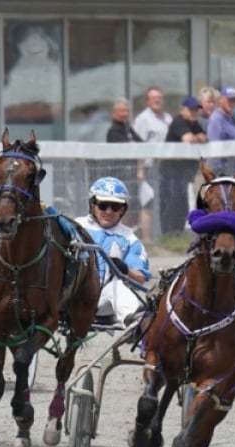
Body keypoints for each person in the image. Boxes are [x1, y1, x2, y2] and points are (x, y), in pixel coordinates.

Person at [78, 177, 151, 325]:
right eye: (103, 205)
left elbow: (140, 278)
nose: (109, 211)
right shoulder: (75, 226)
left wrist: (124, 268)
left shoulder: (130, 239)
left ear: (122, 210)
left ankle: (134, 323)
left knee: (117, 286)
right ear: (93, 205)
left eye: (115, 207)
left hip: (100, 301)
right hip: (69, 295)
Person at [158, 95, 208, 235]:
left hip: (182, 175)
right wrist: (197, 138)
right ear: (183, 110)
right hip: (170, 174)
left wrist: (197, 138)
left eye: (196, 110)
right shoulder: (178, 121)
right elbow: (188, 139)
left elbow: (204, 137)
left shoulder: (194, 123)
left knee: (182, 204)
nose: (194, 113)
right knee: (170, 205)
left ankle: (177, 234)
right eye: (191, 110)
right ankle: (168, 235)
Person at [132, 86, 171, 241]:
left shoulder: (167, 118)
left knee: (165, 201)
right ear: (148, 101)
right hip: (148, 168)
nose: (157, 100)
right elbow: (138, 145)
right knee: (148, 202)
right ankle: (147, 239)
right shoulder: (143, 119)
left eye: (159, 98)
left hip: (165, 168)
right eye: (154, 98)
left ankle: (163, 236)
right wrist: (139, 169)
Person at [105, 97, 144, 229]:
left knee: (134, 203)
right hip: (120, 175)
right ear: (114, 113)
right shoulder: (114, 130)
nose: (125, 114)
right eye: (121, 111)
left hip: (131, 175)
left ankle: (133, 229)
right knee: (123, 203)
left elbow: (141, 143)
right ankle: (122, 228)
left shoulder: (127, 128)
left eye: (126, 111)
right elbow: (123, 150)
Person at [206, 85, 235, 176]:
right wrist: (219, 173)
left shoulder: (232, 118)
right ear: (221, 100)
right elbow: (214, 146)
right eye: (229, 100)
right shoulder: (216, 119)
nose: (232, 103)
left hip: (233, 169)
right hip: (221, 172)